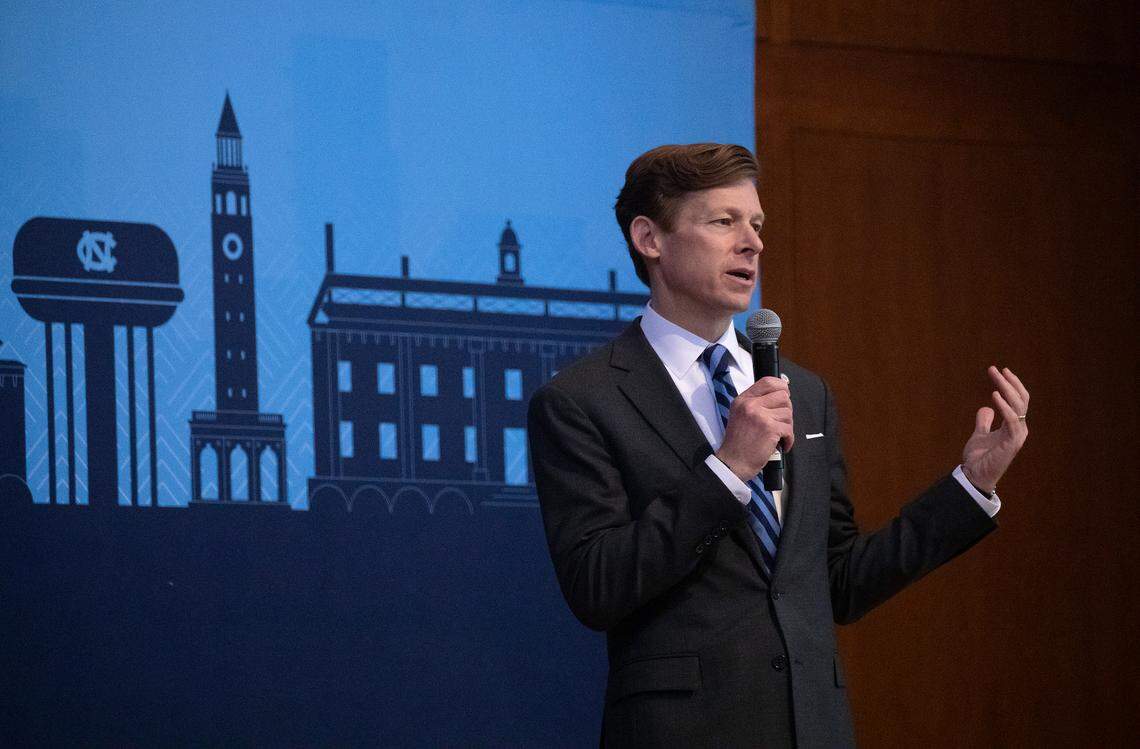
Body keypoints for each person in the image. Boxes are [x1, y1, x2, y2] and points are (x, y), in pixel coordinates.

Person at [527, 143, 1029, 748]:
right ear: (649, 239)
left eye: (757, 225)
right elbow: (598, 586)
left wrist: (970, 488)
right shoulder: (583, 401)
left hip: (811, 727)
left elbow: (839, 580)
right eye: (723, 221)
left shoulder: (805, 392)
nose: (753, 243)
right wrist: (730, 467)